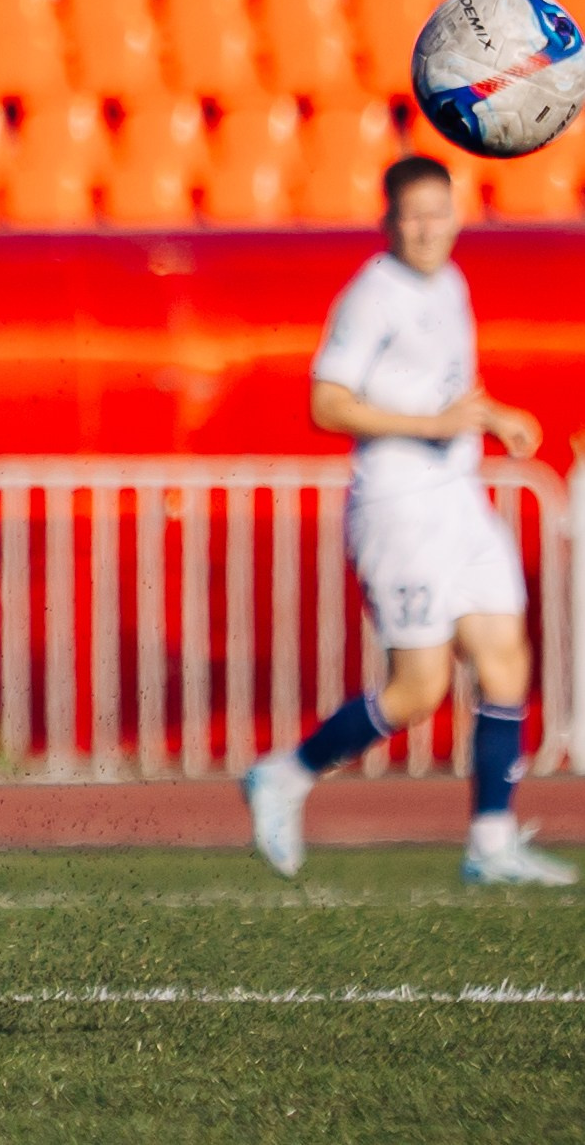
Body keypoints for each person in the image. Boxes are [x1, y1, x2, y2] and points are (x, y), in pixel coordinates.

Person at [243, 155, 574, 887]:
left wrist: (496, 416)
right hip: (398, 504)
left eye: (438, 210)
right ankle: (287, 773)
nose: (427, 226)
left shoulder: (451, 283)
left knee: (505, 656)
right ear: (389, 221)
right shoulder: (373, 294)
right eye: (412, 214)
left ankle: (491, 839)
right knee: (418, 688)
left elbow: (454, 388)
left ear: (458, 213)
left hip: (458, 495)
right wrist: (431, 423)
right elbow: (327, 401)